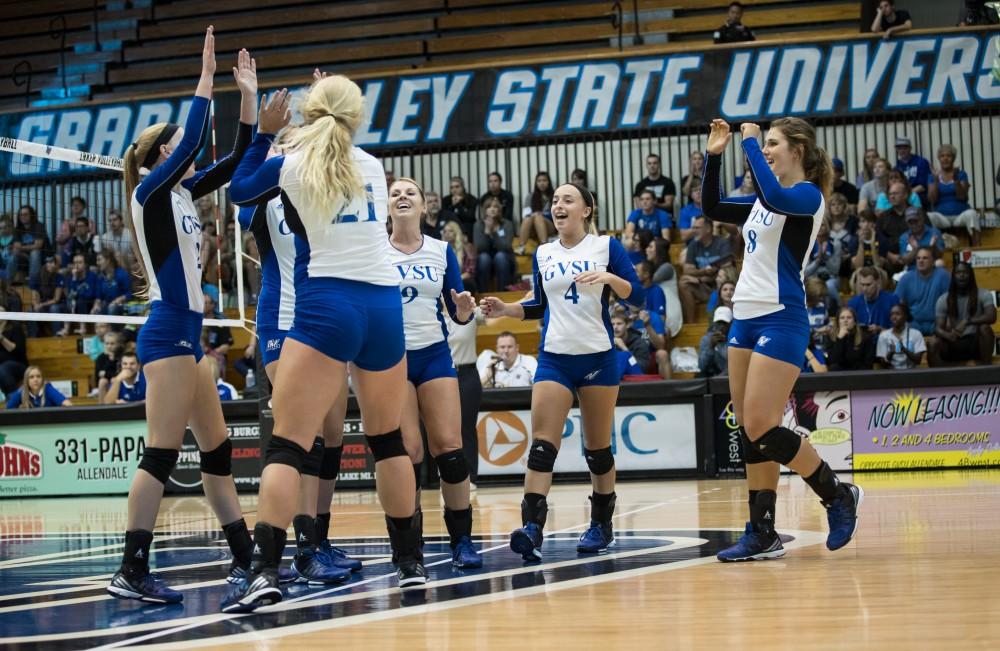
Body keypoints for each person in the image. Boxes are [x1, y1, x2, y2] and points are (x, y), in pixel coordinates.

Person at [226, 72, 424, 611]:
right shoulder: (375, 167)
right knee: (387, 441)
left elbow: (239, 188)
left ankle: (266, 570)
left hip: (325, 305)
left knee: (288, 445)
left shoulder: (291, 166)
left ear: (309, 118)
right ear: (355, 118)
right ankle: (410, 563)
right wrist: (325, 108)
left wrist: (265, 134)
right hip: (383, 306)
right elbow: (336, 144)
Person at [106, 34, 259, 606]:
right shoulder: (150, 192)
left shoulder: (182, 193)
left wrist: (246, 98)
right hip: (167, 332)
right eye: (176, 146)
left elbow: (237, 159)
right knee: (162, 452)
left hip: (188, 339)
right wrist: (205, 75)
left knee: (216, 451)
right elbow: (196, 134)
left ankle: (246, 560)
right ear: (157, 156)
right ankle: (131, 567)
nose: (188, 150)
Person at [702, 116, 863, 562]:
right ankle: (762, 532)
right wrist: (715, 157)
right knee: (751, 433)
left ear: (798, 150)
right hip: (745, 321)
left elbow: (773, 194)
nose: (766, 149)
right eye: (764, 143)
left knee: (760, 424)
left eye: (774, 143)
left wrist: (750, 142)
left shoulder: (805, 196)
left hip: (782, 319)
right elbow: (712, 208)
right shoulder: (761, 201)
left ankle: (837, 494)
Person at [480, 181, 646, 560]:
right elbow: (538, 304)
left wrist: (608, 278)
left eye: (567, 199)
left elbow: (636, 294)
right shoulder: (543, 253)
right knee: (542, 447)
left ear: (586, 210)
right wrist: (505, 310)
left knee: (598, 450)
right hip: (555, 357)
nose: (558, 205)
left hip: (598, 359)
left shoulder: (606, 247)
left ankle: (601, 525)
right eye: (554, 200)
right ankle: (532, 527)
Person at [237, 129, 360, 588]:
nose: (291, 149)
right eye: (283, 144)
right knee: (302, 435)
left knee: (330, 433)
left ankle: (317, 539)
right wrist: (258, 132)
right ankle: (299, 549)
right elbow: (242, 188)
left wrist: (334, 124)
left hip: (321, 320)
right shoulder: (265, 197)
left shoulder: (320, 190)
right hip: (280, 323)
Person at [387, 177, 482, 568]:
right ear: (388, 206)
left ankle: (462, 540)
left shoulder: (442, 251)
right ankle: (411, 547)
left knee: (451, 449)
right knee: (409, 453)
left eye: (411, 192)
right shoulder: (374, 251)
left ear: (425, 206)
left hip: (435, 355)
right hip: (392, 360)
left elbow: (459, 312)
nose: (403, 196)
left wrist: (462, 308)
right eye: (396, 193)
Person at [929, 261, 997, 366]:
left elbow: (992, 317)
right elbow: (938, 328)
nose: (961, 275)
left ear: (971, 275)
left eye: (965, 272)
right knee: (933, 342)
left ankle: (985, 370)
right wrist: (948, 335)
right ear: (953, 276)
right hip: (953, 342)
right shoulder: (943, 299)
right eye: (958, 272)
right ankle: (939, 379)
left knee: (985, 328)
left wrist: (967, 321)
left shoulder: (984, 294)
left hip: (975, 343)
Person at [447, 307, 483, 487]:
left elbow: (494, 313)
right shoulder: (429, 316)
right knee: (438, 428)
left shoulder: (470, 312)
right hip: (441, 375)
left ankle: (470, 477)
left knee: (466, 427)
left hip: (467, 373)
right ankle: (437, 477)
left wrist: (523, 300)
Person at [678, 215, 733, 322]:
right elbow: (687, 270)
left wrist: (700, 278)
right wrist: (703, 272)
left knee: (723, 273)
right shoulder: (693, 245)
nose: (693, 231)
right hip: (704, 288)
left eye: (697, 228)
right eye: (693, 228)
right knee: (684, 281)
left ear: (708, 229)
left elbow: (727, 267)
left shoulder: (722, 243)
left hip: (722, 288)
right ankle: (692, 324)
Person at [927, 144, 982, 246]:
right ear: (939, 158)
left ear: (953, 158)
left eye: (949, 156)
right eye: (942, 156)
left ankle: (977, 250)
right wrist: (935, 181)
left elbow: (962, 197)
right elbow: (932, 200)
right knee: (929, 216)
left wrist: (956, 180)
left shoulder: (961, 174)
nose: (945, 159)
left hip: (960, 215)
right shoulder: (932, 176)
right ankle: (932, 252)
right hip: (941, 217)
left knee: (972, 214)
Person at [895, 247, 950, 336]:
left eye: (925, 258)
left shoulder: (943, 276)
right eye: (918, 258)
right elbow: (897, 303)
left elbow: (951, 300)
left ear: (933, 261)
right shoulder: (906, 278)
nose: (921, 261)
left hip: (938, 323)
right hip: (913, 323)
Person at [474, 196, 516, 292]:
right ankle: (482, 294)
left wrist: (494, 233)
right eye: (489, 207)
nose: (492, 209)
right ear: (485, 210)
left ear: (499, 210)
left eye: (495, 207)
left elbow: (506, 246)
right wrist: (487, 231)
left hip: (505, 259)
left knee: (500, 256)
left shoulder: (507, 224)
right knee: (484, 257)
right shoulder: (478, 225)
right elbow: (480, 247)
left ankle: (503, 293)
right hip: (485, 260)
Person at [848, 266, 899, 333]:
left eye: (868, 285)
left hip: (885, 340)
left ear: (877, 282)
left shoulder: (892, 300)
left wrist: (880, 330)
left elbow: (899, 332)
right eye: (862, 285)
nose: (865, 289)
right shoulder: (853, 303)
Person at [877, 303, 925, 369]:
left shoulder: (916, 334)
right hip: (891, 375)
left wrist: (904, 349)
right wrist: (890, 353)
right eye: (892, 314)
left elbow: (918, 360)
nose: (894, 317)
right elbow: (883, 364)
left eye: (897, 314)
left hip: (911, 374)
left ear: (906, 316)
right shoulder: (884, 335)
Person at [827, 306, 876, 371]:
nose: (845, 320)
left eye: (849, 317)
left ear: (855, 322)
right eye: (842, 318)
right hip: (839, 375)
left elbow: (868, 364)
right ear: (838, 322)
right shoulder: (832, 337)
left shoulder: (866, 337)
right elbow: (832, 361)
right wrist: (840, 339)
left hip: (859, 375)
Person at [517, 171, 555, 253]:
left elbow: (557, 214)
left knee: (538, 217)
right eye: (539, 181)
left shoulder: (555, 195)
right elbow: (525, 214)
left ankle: (544, 246)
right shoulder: (530, 196)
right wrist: (534, 215)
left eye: (544, 180)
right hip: (532, 226)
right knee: (528, 219)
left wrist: (541, 214)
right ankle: (521, 247)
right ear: (536, 183)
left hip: (550, 224)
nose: (542, 183)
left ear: (549, 182)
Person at [62, 253, 98, 336]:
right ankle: (66, 329)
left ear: (85, 264)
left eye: (80, 262)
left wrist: (78, 294)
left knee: (81, 300)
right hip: (75, 303)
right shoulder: (71, 277)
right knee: (68, 301)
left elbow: (90, 294)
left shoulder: (91, 276)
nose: (77, 265)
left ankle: (83, 328)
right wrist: (74, 278)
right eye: (75, 263)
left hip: (90, 303)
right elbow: (70, 294)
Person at [804, 218, 841, 298]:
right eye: (818, 224)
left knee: (829, 286)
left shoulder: (836, 243)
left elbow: (835, 270)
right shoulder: (808, 244)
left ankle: (838, 307)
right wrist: (818, 260)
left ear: (828, 227)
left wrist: (826, 258)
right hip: (813, 278)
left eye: (823, 225)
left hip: (831, 278)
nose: (820, 227)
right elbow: (806, 272)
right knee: (810, 286)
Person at [13, 204, 48, 287]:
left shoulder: (38, 226)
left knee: (34, 253)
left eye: (25, 214)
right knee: (14, 252)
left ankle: (33, 285)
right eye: (21, 215)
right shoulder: (18, 229)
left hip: (42, 257)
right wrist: (23, 249)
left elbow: (38, 246)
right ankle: (9, 283)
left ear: (31, 215)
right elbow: (17, 246)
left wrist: (22, 248)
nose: (23, 217)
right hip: (25, 257)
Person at [6, 365, 72, 409]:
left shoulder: (48, 389)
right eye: (31, 377)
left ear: (42, 379)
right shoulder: (22, 392)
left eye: (38, 376)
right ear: (26, 381)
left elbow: (68, 404)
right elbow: (8, 409)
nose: (35, 380)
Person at [893, 137, 931, 208]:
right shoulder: (897, 167)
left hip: (920, 198)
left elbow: (923, 186)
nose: (902, 150)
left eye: (905, 148)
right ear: (896, 150)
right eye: (899, 148)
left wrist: (906, 194)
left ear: (910, 148)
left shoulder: (921, 162)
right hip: (902, 198)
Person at [92, 249, 131, 316]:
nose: (97, 263)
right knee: (96, 311)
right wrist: (96, 305)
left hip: (122, 305)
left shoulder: (121, 274)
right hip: (107, 304)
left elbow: (130, 293)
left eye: (99, 260)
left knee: (112, 308)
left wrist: (117, 300)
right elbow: (99, 297)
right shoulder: (100, 277)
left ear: (108, 260)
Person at [441, 220, 476, 293]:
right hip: (446, 281)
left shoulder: (467, 248)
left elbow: (470, 271)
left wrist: (456, 279)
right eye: (445, 231)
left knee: (467, 283)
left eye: (450, 231)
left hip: (462, 279)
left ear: (456, 233)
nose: (447, 234)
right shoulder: (440, 250)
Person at [440, 176, 479, 241]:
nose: (454, 190)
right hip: (450, 227)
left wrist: (458, 205)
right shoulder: (445, 200)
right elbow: (444, 216)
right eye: (451, 187)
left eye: (457, 187)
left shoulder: (471, 199)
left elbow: (470, 218)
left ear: (463, 187)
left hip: (466, 227)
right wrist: (453, 206)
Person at [0, 308, 27, 396]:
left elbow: (18, 351)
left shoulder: (15, 328)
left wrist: (2, 338)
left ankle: (14, 398)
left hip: (18, 365)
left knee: (3, 368)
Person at [698, 306, 731, 377]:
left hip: (729, 377)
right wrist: (711, 347)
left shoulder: (734, 340)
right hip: (712, 379)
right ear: (714, 323)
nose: (721, 326)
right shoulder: (706, 339)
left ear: (730, 324)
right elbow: (702, 367)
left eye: (724, 323)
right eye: (718, 323)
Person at [95, 331, 124, 402]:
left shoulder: (122, 356)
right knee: (102, 381)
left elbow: (122, 373)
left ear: (118, 344)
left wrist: (106, 374)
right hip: (107, 383)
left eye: (112, 344)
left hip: (121, 381)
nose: (109, 346)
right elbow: (98, 375)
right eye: (107, 343)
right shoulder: (101, 357)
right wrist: (111, 359)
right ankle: (102, 408)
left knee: (114, 380)